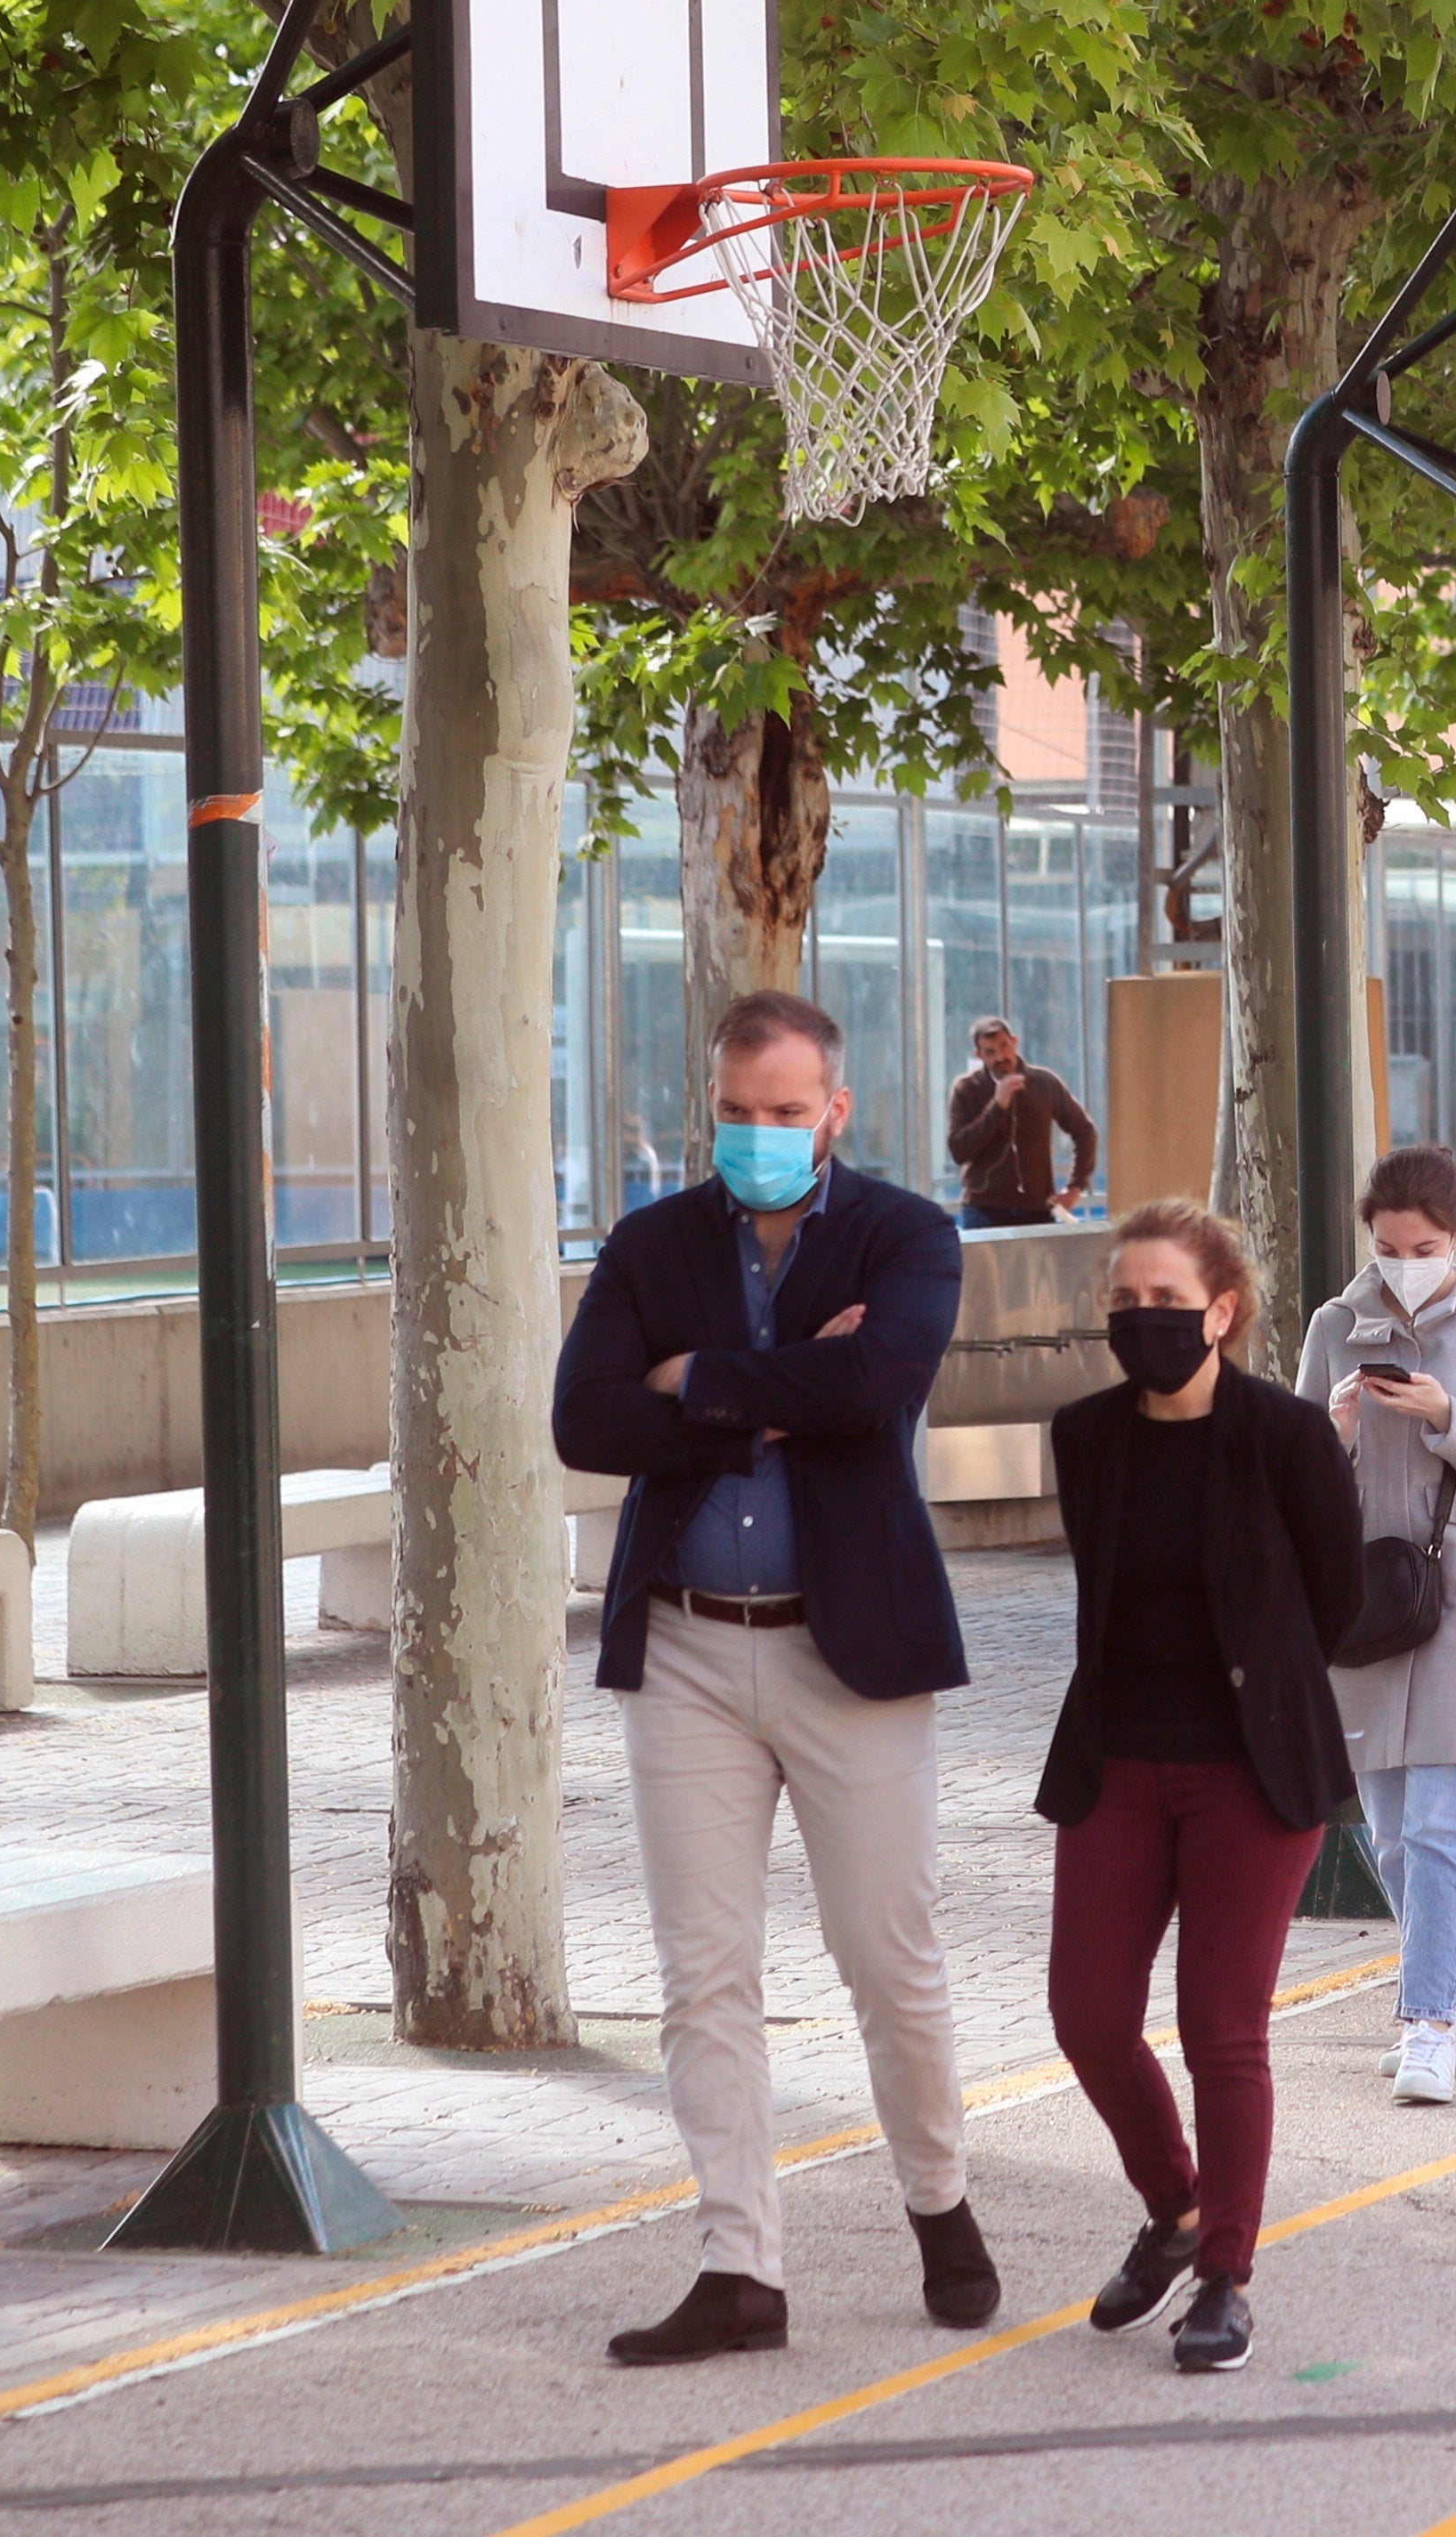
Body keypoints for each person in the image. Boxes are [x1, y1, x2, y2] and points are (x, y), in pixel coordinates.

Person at [553, 987, 990, 2367]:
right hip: (684, 1644)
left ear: (835, 1113)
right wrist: (788, 1376)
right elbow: (584, 1418)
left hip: (846, 1646)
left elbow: (877, 1394)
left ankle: (940, 2200)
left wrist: (702, 1381)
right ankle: (740, 2267)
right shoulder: (649, 1243)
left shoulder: (907, 1233)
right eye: (737, 1115)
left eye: (786, 1115)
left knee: (887, 1957)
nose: (758, 1136)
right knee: (703, 1976)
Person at [1039, 1199, 1355, 2373]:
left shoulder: (1283, 1435)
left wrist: (1260, 1684)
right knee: (1087, 2017)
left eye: (1167, 1303)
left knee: (1221, 2030)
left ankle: (1224, 2271)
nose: (1143, 1321)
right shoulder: (1084, 1436)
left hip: (1250, 1771)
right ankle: (1173, 2208)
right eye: (1125, 1303)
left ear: (1222, 1312)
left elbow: (1337, 1594)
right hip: (1117, 1759)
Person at [1291, 1147, 1456, 2105]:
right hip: (1364, 1604)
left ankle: (1426, 2024)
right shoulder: (1334, 1324)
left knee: (1444, 1822)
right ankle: (1449, 1989)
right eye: (1388, 1245)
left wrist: (1451, 1415)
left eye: (1425, 1244)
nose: (1405, 1260)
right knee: (1393, 1837)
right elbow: (1291, 1487)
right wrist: (1332, 1432)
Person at [944, 1014, 1099, 1231]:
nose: (1000, 1057)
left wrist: (1075, 1186)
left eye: (1004, 1046)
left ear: (1014, 1042)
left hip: (1036, 1209)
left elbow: (1084, 1131)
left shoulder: (1044, 1083)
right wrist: (998, 1106)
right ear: (979, 1055)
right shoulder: (967, 1089)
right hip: (984, 1209)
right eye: (990, 1052)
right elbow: (959, 1151)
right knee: (983, 1266)